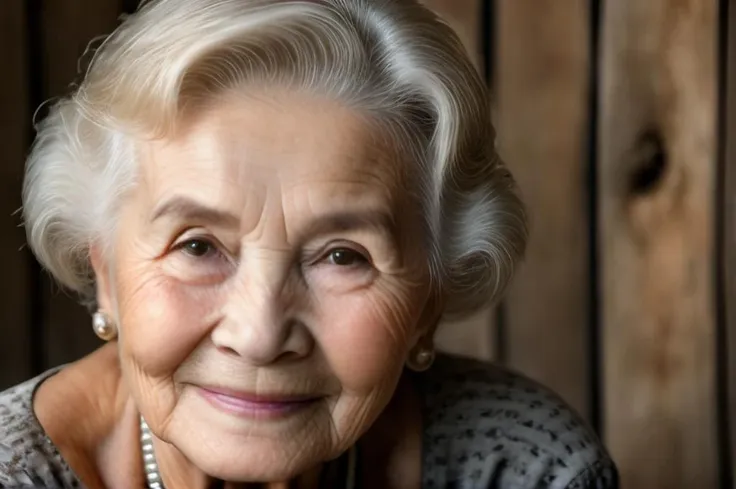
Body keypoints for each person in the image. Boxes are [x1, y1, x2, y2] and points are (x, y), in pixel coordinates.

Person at [0, 0, 618, 487]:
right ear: (104, 271)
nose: (261, 335)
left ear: (428, 304)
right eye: (197, 247)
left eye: (343, 256)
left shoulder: (525, 467)